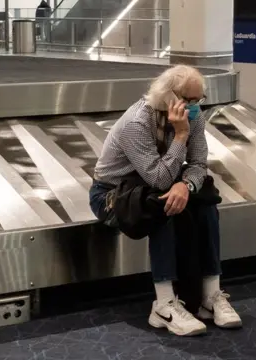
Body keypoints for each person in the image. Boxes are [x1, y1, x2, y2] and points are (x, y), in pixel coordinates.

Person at [89, 65, 242, 337]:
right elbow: (158, 180)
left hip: (158, 185)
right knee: (162, 202)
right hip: (112, 195)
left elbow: (197, 164)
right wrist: (180, 135)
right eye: (188, 100)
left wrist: (186, 184)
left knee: (205, 195)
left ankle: (211, 294)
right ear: (167, 95)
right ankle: (163, 303)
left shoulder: (193, 117)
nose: (195, 107)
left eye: (199, 100)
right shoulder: (137, 123)